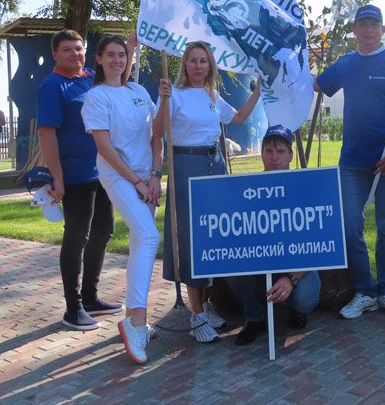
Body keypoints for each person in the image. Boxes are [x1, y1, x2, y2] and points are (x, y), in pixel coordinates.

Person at [315, 4, 385, 319]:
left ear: (383, 30)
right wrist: (282, 69)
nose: (369, 30)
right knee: (349, 226)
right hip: (353, 162)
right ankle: (364, 292)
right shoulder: (345, 64)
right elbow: (315, 84)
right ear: (354, 30)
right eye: (363, 25)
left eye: (374, 25)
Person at [160, 40, 261, 343]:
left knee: (214, 235)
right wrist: (163, 102)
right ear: (185, 64)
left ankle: (205, 305)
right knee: (191, 238)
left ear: (210, 66)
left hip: (215, 165)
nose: (198, 66)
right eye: (193, 60)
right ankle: (197, 316)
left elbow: (238, 118)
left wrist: (257, 92)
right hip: (186, 165)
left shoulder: (212, 94)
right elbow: (157, 132)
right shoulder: (173, 93)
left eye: (203, 61)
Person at [81, 34, 166, 364]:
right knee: (149, 237)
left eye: (122, 54)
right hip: (119, 177)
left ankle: (133, 316)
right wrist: (137, 182)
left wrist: (155, 174)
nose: (118, 60)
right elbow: (104, 148)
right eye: (111, 55)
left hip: (147, 177)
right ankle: (137, 323)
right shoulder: (97, 97)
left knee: (137, 243)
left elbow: (157, 133)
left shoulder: (139, 91)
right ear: (99, 59)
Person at [36, 29, 122, 331]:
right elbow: (46, 134)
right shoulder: (52, 86)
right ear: (55, 54)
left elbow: (119, 75)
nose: (75, 53)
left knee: (104, 231)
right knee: (77, 238)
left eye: (79, 48)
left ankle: (90, 297)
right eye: (68, 49)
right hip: (75, 176)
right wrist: (57, 179)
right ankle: (73, 309)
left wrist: (130, 45)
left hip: (102, 171)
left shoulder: (89, 79)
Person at [226, 125, 321, 346]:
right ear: (261, 154)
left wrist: (292, 279)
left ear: (291, 155)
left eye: (280, 151)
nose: (274, 157)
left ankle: (296, 309)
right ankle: (255, 316)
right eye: (268, 151)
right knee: (230, 266)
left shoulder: (307, 187)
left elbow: (320, 244)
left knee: (306, 297)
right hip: (259, 261)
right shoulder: (247, 190)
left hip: (297, 263)